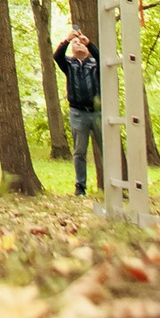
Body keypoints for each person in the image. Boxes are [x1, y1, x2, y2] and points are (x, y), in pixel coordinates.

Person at [53, 30, 103, 196]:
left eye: (81, 43)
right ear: (72, 50)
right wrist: (67, 39)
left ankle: (111, 184)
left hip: (97, 113)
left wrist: (88, 43)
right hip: (78, 113)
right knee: (80, 151)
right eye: (76, 43)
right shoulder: (69, 64)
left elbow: (103, 58)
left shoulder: (95, 64)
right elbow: (57, 56)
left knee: (106, 149)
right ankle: (80, 187)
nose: (78, 44)